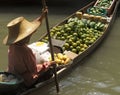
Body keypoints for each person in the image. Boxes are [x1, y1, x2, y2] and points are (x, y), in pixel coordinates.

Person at [3, 8, 54, 88]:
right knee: (49, 72)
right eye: (28, 35)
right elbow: (34, 70)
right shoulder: (25, 51)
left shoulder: (12, 45)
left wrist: (42, 17)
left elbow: (33, 28)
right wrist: (48, 64)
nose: (30, 34)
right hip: (24, 80)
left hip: (12, 73)